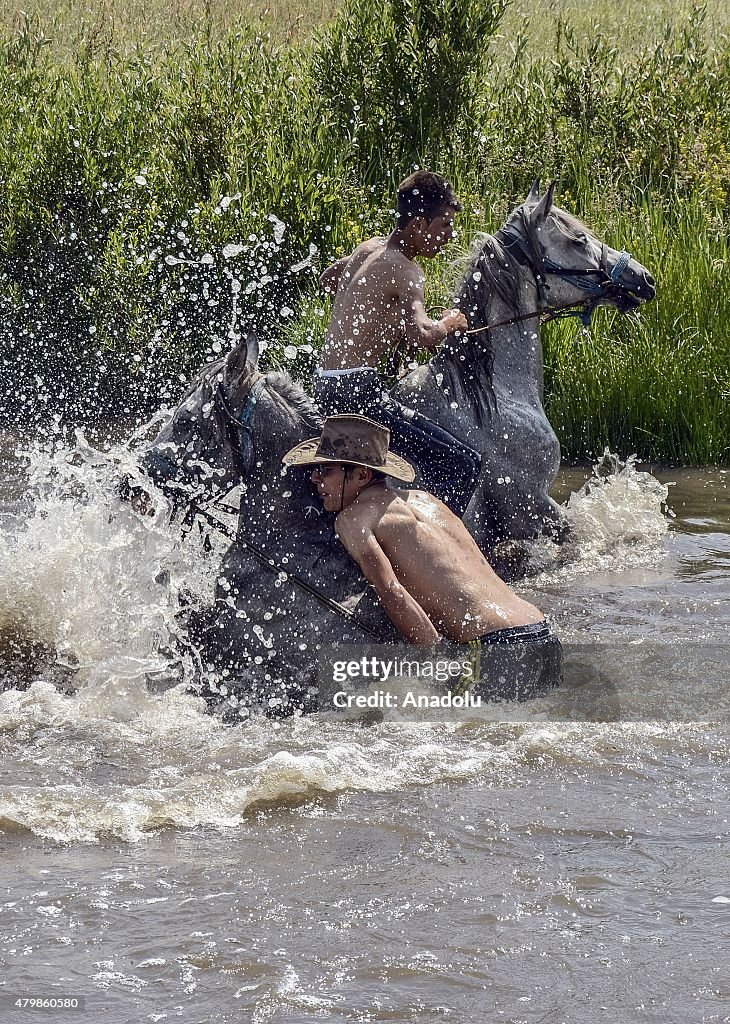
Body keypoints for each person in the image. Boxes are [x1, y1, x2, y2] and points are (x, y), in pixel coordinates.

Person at [283, 415, 561, 698]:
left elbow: (391, 591)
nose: (314, 479)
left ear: (362, 475)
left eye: (325, 470)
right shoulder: (428, 502)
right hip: (541, 632)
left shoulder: (353, 519)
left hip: (493, 644)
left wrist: (435, 662)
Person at [314, 170, 481, 518]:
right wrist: (449, 323)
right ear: (419, 225)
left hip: (326, 386)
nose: (449, 236)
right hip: (358, 395)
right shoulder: (407, 270)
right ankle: (435, 554)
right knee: (462, 464)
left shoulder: (369, 248)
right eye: (444, 225)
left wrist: (379, 320)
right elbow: (422, 334)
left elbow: (329, 278)